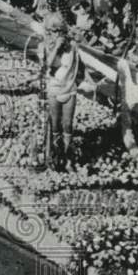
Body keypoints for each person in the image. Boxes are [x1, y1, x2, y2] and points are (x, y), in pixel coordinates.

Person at [36, 13, 84, 171]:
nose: (57, 35)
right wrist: (56, 47)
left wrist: (79, 82)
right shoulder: (43, 47)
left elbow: (80, 66)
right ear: (48, 32)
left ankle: (68, 156)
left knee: (68, 124)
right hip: (53, 90)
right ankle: (56, 156)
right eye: (54, 31)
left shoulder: (72, 48)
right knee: (55, 124)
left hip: (69, 89)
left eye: (60, 31)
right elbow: (47, 66)